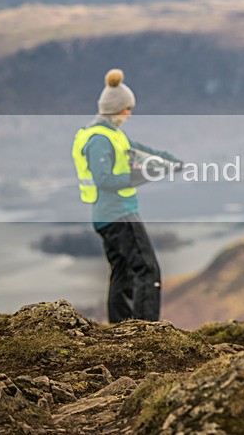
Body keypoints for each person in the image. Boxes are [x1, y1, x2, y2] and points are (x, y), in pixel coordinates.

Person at [71, 68, 181, 323]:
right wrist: (142, 176)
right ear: (115, 109)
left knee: (122, 272)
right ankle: (147, 331)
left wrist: (169, 161)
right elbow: (105, 180)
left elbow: (140, 149)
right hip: (118, 213)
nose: (129, 114)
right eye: (126, 109)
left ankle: (120, 328)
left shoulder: (111, 134)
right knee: (147, 269)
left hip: (107, 215)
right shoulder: (100, 139)